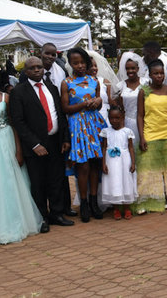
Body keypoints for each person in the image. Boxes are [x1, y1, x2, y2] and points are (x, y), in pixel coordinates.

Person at [0, 66, 43, 244]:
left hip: (6, 141)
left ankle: (14, 223)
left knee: (9, 181)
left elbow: (14, 124)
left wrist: (18, 150)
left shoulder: (6, 97)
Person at [10, 57, 74, 234]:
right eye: (33, 68)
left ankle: (57, 214)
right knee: (38, 183)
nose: (37, 70)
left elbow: (60, 116)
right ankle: (42, 218)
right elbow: (18, 121)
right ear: (26, 71)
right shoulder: (19, 92)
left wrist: (65, 139)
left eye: (39, 67)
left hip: (55, 142)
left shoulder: (52, 88)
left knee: (56, 180)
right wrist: (34, 144)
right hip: (35, 146)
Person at [61, 48, 107, 222]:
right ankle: (84, 203)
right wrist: (84, 104)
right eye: (75, 62)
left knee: (95, 164)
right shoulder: (67, 82)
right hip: (77, 127)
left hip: (94, 125)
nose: (79, 66)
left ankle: (95, 201)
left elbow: (98, 102)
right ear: (70, 64)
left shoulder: (94, 81)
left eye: (82, 62)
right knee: (83, 166)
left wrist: (98, 101)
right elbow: (65, 108)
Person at [135, 59, 167, 213]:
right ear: (150, 74)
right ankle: (150, 199)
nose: (159, 76)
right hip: (150, 134)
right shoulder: (144, 91)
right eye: (156, 73)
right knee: (148, 169)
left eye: (161, 73)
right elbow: (140, 116)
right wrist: (142, 137)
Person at [100, 106, 138, 220]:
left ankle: (127, 208)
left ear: (122, 117)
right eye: (111, 118)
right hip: (111, 162)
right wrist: (103, 163)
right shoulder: (106, 131)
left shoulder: (127, 131)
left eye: (117, 118)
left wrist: (133, 163)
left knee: (126, 181)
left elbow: (131, 148)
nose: (114, 120)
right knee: (114, 182)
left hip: (125, 160)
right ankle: (116, 208)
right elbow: (104, 147)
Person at [114, 58, 147, 150]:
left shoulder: (146, 83)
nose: (130, 71)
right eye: (127, 69)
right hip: (128, 122)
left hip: (145, 121)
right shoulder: (121, 86)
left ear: (137, 68)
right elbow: (120, 107)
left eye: (133, 68)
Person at [89, 58, 111, 127]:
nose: (94, 68)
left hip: (105, 116)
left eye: (95, 66)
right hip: (90, 118)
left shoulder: (105, 81)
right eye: (91, 66)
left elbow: (111, 100)